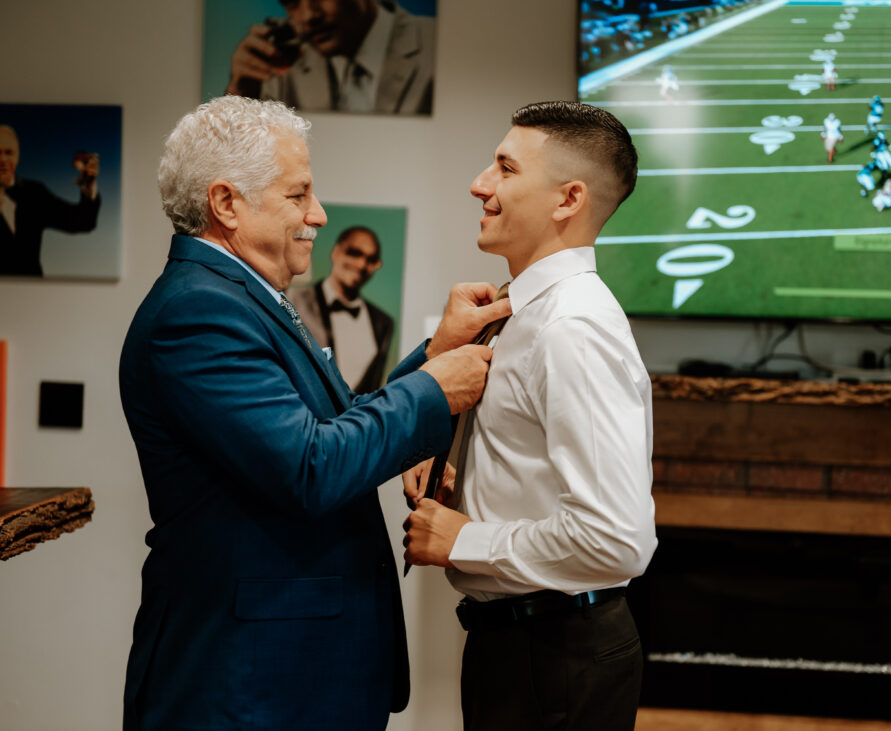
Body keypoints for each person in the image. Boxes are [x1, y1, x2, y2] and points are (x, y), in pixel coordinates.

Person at [119, 95, 510, 730]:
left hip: (286, 674)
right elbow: (312, 465)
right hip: (249, 682)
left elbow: (332, 423)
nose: (319, 215)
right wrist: (436, 391)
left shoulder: (239, 295)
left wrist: (438, 352)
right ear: (226, 204)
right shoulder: (198, 313)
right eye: (299, 195)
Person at [403, 101, 658, 731]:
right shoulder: (520, 310)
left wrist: (466, 539)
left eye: (505, 168)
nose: (479, 184)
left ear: (567, 199)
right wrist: (448, 451)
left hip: (557, 660)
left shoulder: (571, 326)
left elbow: (617, 539)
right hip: (518, 649)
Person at [226, 0, 435, 115]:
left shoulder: (437, 42)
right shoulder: (281, 69)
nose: (309, 15)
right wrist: (240, 93)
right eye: (292, 2)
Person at [287, 225, 393, 393]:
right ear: (336, 251)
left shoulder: (383, 323)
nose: (361, 264)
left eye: (371, 259)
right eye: (354, 253)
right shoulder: (293, 299)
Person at [0, 124, 100, 276]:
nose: (3, 159)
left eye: (9, 152)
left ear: (17, 156)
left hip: (35, 294)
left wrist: (88, 185)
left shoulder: (34, 193)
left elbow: (82, 221)